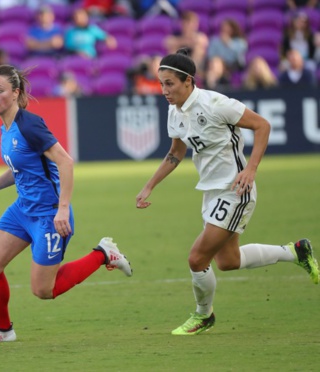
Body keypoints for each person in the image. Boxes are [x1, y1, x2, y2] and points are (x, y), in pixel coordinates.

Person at [135, 49, 319, 336]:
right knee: (228, 261)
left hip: (235, 189)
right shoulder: (175, 112)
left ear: (188, 81)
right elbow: (175, 153)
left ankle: (203, 315)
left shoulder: (216, 104)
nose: (164, 90)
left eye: (169, 83)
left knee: (197, 258)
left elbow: (263, 125)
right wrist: (149, 185)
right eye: (161, 84)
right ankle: (295, 251)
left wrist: (251, 169)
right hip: (211, 192)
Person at [0, 64, 133, 343]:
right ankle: (3, 330)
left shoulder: (30, 124)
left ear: (15, 92)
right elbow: (20, 168)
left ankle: (103, 254)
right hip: (22, 210)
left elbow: (65, 161)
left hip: (49, 215)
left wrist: (63, 209)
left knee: (43, 290)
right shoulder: (5, 128)